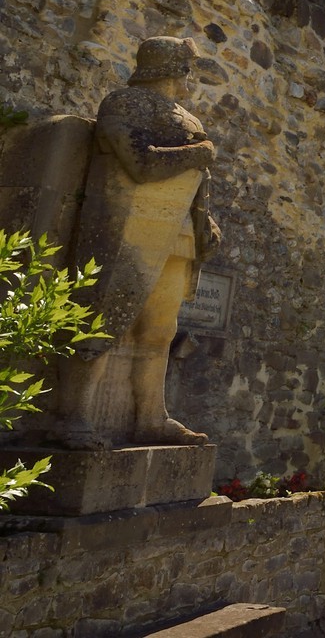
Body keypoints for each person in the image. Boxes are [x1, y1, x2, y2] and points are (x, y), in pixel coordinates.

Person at [52, 36, 221, 449]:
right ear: (173, 67)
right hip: (125, 228)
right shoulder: (124, 103)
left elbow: (194, 186)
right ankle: (71, 417)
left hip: (178, 236)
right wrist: (197, 153)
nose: (189, 77)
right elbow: (140, 163)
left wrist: (205, 222)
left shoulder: (188, 118)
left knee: (160, 330)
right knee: (102, 318)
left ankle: (150, 417)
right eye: (187, 67)